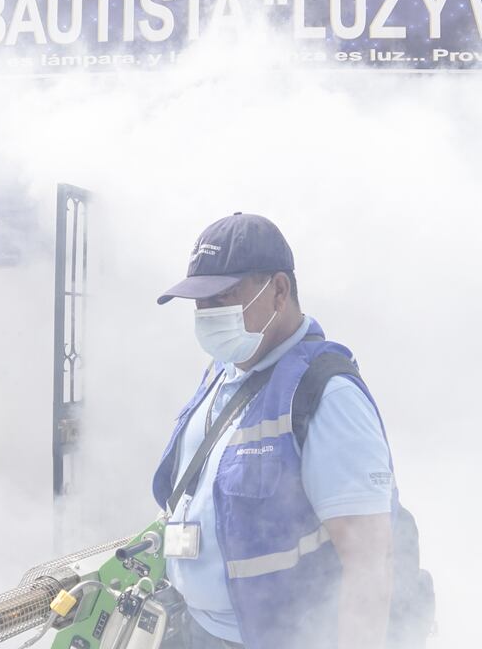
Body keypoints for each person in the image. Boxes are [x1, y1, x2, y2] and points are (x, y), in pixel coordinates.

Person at [152, 213, 399, 649]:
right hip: (195, 630)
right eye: (199, 303)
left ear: (279, 291)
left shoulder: (328, 395)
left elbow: (369, 566)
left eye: (222, 298)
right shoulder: (222, 373)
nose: (207, 316)